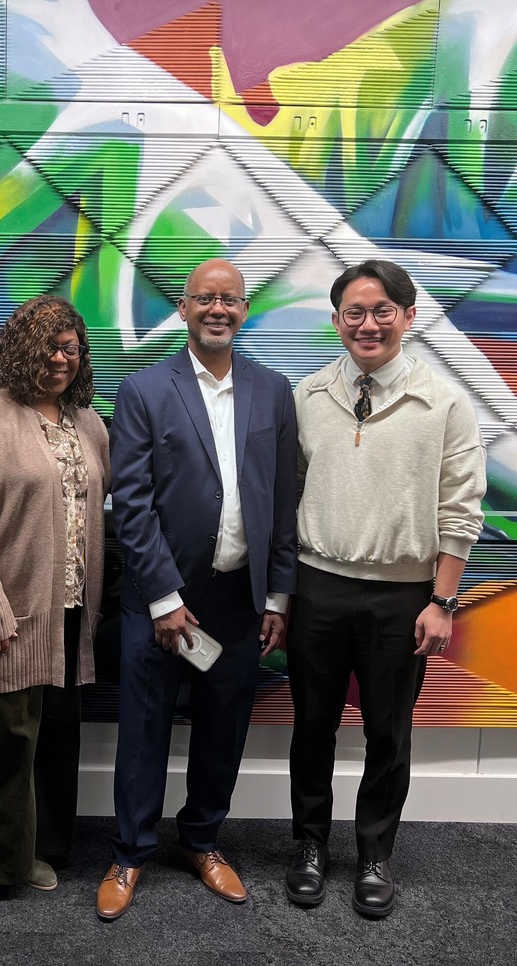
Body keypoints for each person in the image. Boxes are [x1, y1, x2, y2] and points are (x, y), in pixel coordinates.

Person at [96, 258, 297, 920]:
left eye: (230, 299)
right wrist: (162, 598)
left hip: (238, 600)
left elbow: (285, 500)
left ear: (244, 311)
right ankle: (129, 853)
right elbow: (130, 501)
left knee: (222, 730)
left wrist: (276, 596)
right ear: (182, 309)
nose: (218, 308)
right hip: (160, 598)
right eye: (205, 298)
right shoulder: (145, 390)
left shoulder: (272, 391)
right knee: (144, 730)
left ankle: (203, 841)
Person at [284, 260, 486, 918]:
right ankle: (308, 846)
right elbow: (286, 496)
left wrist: (442, 600)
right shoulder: (308, 395)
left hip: (401, 599)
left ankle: (374, 855)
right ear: (336, 320)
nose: (366, 324)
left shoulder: (443, 402)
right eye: (352, 312)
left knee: (387, 733)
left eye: (381, 311)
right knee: (310, 727)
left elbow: (461, 509)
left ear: (407, 315)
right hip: (316, 587)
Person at [0, 295, 110, 915]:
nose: (60, 358)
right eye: (47, 345)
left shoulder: (87, 420)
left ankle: (37, 849)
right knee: (1, 741)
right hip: (4, 615)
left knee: (53, 739)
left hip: (70, 616)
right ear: (19, 347)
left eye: (70, 347)